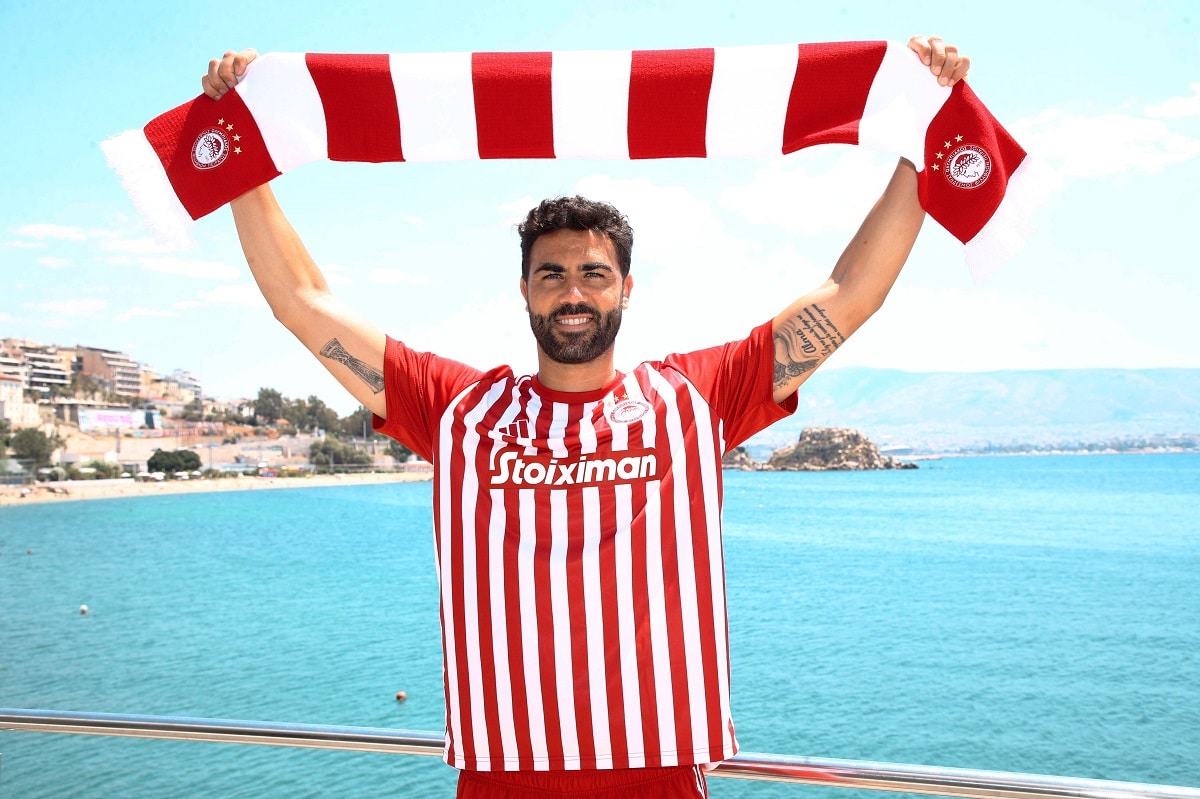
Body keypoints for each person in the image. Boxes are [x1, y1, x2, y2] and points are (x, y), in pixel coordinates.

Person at [204, 35, 969, 799]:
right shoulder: (461, 410)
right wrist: (241, 145)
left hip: (657, 776)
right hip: (502, 779)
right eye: (552, 274)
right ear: (525, 290)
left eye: (594, 273)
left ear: (626, 288)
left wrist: (920, 141)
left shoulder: (691, 400)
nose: (573, 293)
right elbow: (302, 303)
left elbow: (850, 295)